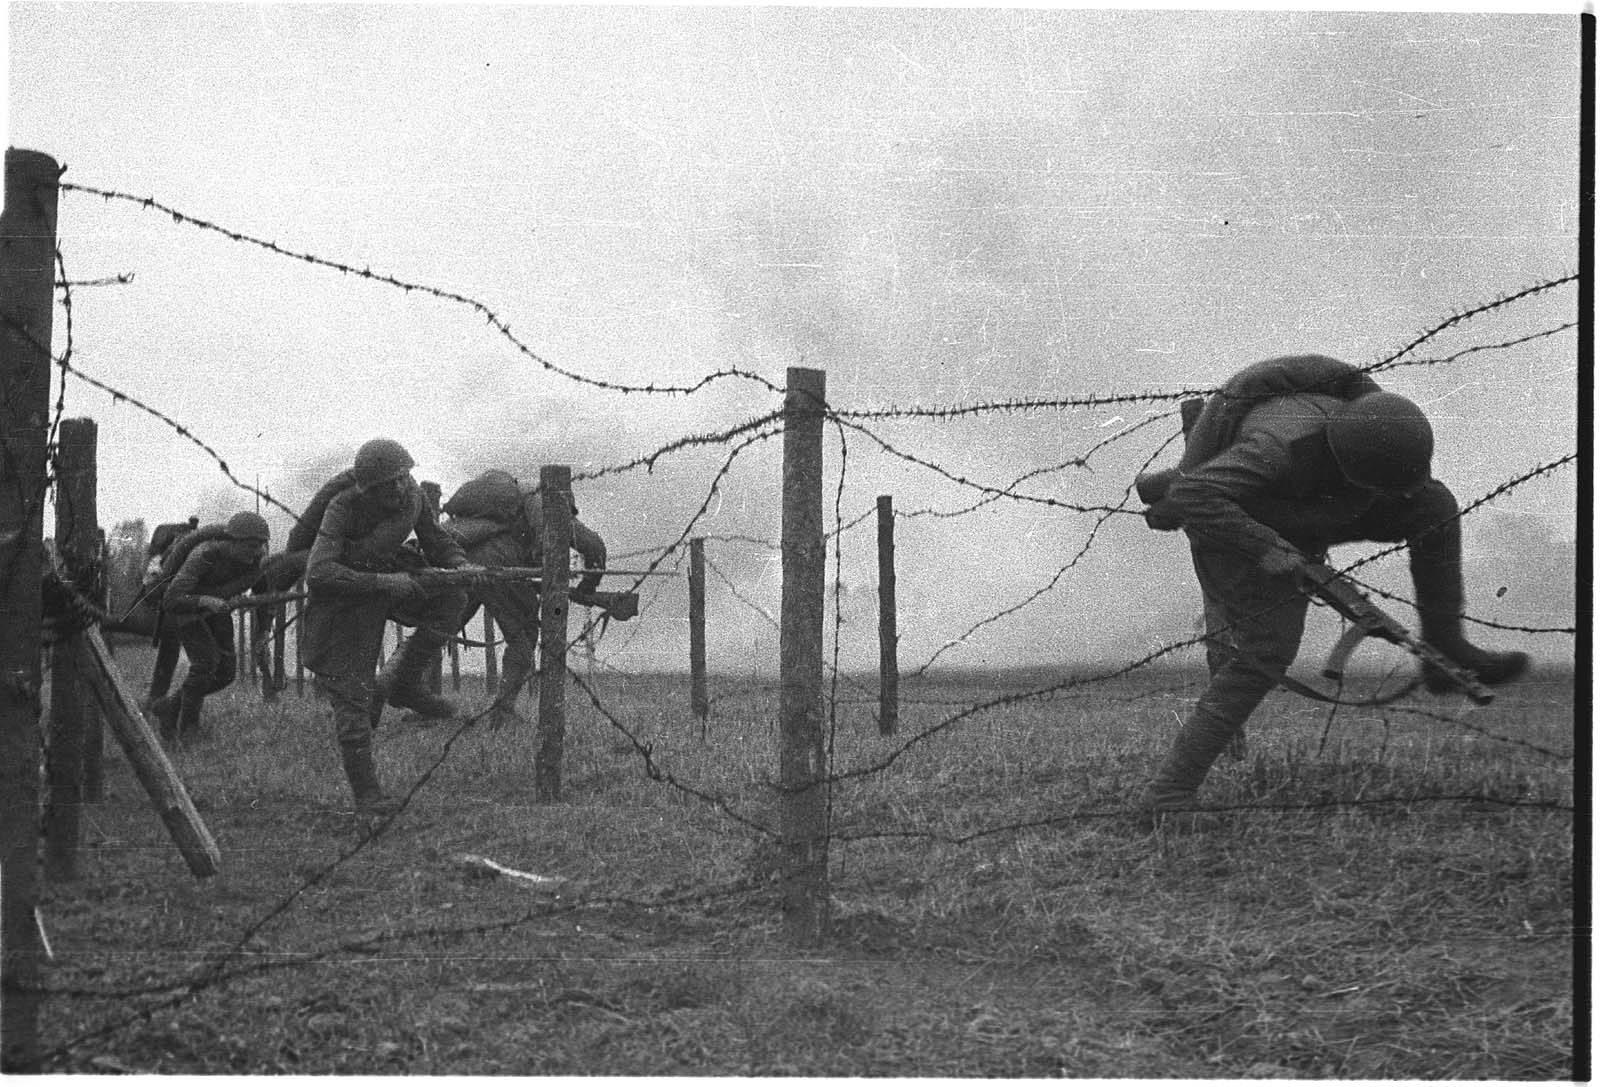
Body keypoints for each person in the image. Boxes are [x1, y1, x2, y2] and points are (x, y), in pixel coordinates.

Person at [1136, 354, 1529, 828]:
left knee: (1433, 506)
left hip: (1318, 502)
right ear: (1349, 465)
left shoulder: (1374, 418)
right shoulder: (1276, 448)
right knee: (1267, 650)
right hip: (1237, 518)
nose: (1401, 496)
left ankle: (1444, 650)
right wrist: (1271, 551)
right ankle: (1170, 795)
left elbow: (1403, 491)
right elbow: (1194, 497)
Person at [299, 438, 473, 814]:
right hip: (345, 601)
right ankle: (367, 794)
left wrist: (459, 563)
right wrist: (382, 584)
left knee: (452, 597)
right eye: (387, 484)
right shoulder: (342, 506)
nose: (398, 488)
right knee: (353, 696)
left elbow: (436, 539)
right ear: (367, 487)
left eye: (402, 477)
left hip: (392, 580)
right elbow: (319, 572)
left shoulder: (412, 494)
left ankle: (404, 682)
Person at [439, 469, 608, 730]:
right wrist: (588, 587)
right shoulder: (550, 508)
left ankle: (396, 686)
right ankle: (503, 712)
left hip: (462, 561)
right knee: (525, 634)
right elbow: (595, 546)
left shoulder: (499, 515)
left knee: (439, 627)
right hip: (498, 566)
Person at [144, 512, 271, 744]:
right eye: (250, 546)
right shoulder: (204, 555)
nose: (255, 552)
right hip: (186, 608)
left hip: (216, 610)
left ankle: (169, 708)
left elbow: (264, 596)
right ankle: (189, 728)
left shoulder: (256, 562)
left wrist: (263, 632)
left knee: (226, 673)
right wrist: (204, 601)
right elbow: (172, 599)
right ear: (232, 542)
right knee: (205, 663)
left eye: (260, 546)